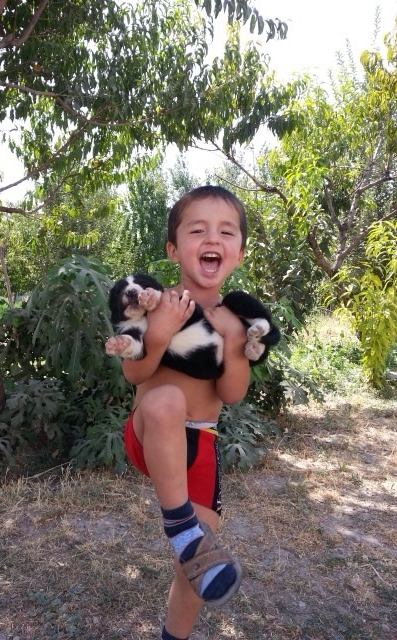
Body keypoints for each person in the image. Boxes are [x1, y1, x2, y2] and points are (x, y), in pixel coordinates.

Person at [119, 185, 250, 640]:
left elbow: (231, 394)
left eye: (226, 231)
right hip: (152, 430)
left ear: (239, 253)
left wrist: (234, 340)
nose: (212, 238)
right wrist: (159, 334)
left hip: (201, 446)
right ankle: (179, 522)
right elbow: (134, 374)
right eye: (198, 230)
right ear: (173, 249)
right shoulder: (154, 303)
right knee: (167, 398)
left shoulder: (237, 320)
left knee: (196, 565)